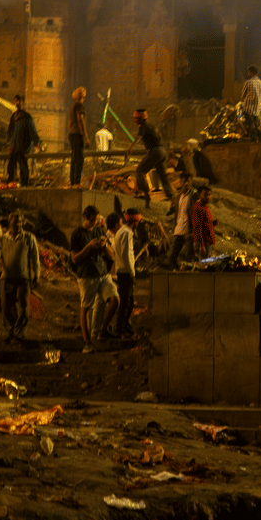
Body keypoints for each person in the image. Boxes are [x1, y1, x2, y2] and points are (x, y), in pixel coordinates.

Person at [70, 205, 116, 353]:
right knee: (85, 309)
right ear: (85, 218)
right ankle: (87, 342)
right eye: (92, 220)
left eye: (97, 220)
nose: (95, 223)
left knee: (115, 299)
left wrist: (103, 246)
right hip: (87, 276)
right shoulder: (77, 234)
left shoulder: (99, 231)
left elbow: (111, 255)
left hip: (102, 273)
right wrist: (88, 246)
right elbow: (75, 259)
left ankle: (102, 331)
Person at [0, 214, 40, 343]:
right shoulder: (3, 239)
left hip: (24, 277)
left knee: (23, 306)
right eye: (15, 222)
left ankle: (19, 333)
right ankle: (11, 331)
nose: (17, 225)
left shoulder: (29, 238)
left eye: (19, 222)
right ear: (10, 223)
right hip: (6, 277)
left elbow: (35, 258)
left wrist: (36, 275)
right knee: (6, 305)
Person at [125, 108, 169, 200]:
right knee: (163, 176)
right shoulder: (151, 126)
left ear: (141, 119)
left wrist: (130, 148)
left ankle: (144, 193)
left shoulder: (143, 127)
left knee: (139, 171)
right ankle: (171, 197)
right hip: (162, 151)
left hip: (155, 151)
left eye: (136, 118)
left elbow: (139, 137)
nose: (134, 120)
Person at [107, 211, 135, 339]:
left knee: (128, 300)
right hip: (125, 271)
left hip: (122, 270)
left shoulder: (122, 232)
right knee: (125, 302)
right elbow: (125, 254)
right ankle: (120, 329)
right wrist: (131, 270)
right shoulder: (126, 232)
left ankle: (124, 327)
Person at [5, 94, 39, 187]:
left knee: (23, 166)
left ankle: (24, 184)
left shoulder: (26, 116)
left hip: (23, 146)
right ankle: (10, 183)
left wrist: (36, 142)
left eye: (19, 101)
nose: (17, 103)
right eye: (16, 101)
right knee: (11, 166)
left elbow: (32, 130)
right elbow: (10, 131)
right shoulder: (13, 116)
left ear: (23, 103)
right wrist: (9, 143)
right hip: (13, 146)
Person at [167, 172, 194, 268]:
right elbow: (175, 212)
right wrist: (171, 208)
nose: (186, 183)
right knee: (172, 257)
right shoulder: (178, 196)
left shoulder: (194, 196)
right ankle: (177, 273)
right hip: (178, 229)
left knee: (189, 257)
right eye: (184, 181)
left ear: (191, 182)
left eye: (188, 181)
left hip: (189, 231)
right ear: (180, 182)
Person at [67, 88, 88, 188]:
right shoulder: (80, 105)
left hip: (72, 134)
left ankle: (72, 182)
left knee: (74, 158)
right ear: (83, 95)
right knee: (79, 159)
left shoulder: (73, 106)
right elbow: (81, 121)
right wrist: (86, 137)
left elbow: (70, 122)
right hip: (77, 134)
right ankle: (76, 182)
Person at [189, 186, 217, 260]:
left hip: (208, 242)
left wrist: (213, 224)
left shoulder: (205, 206)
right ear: (199, 195)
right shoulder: (197, 208)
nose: (208, 197)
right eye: (205, 194)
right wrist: (201, 246)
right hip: (203, 244)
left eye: (209, 195)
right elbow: (196, 228)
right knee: (203, 266)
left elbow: (204, 224)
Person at [241, 66, 261, 138]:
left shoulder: (248, 82)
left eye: (248, 72)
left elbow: (243, 95)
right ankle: (259, 140)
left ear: (251, 72)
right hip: (257, 109)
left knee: (249, 126)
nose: (248, 73)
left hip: (248, 109)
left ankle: (252, 141)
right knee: (256, 125)